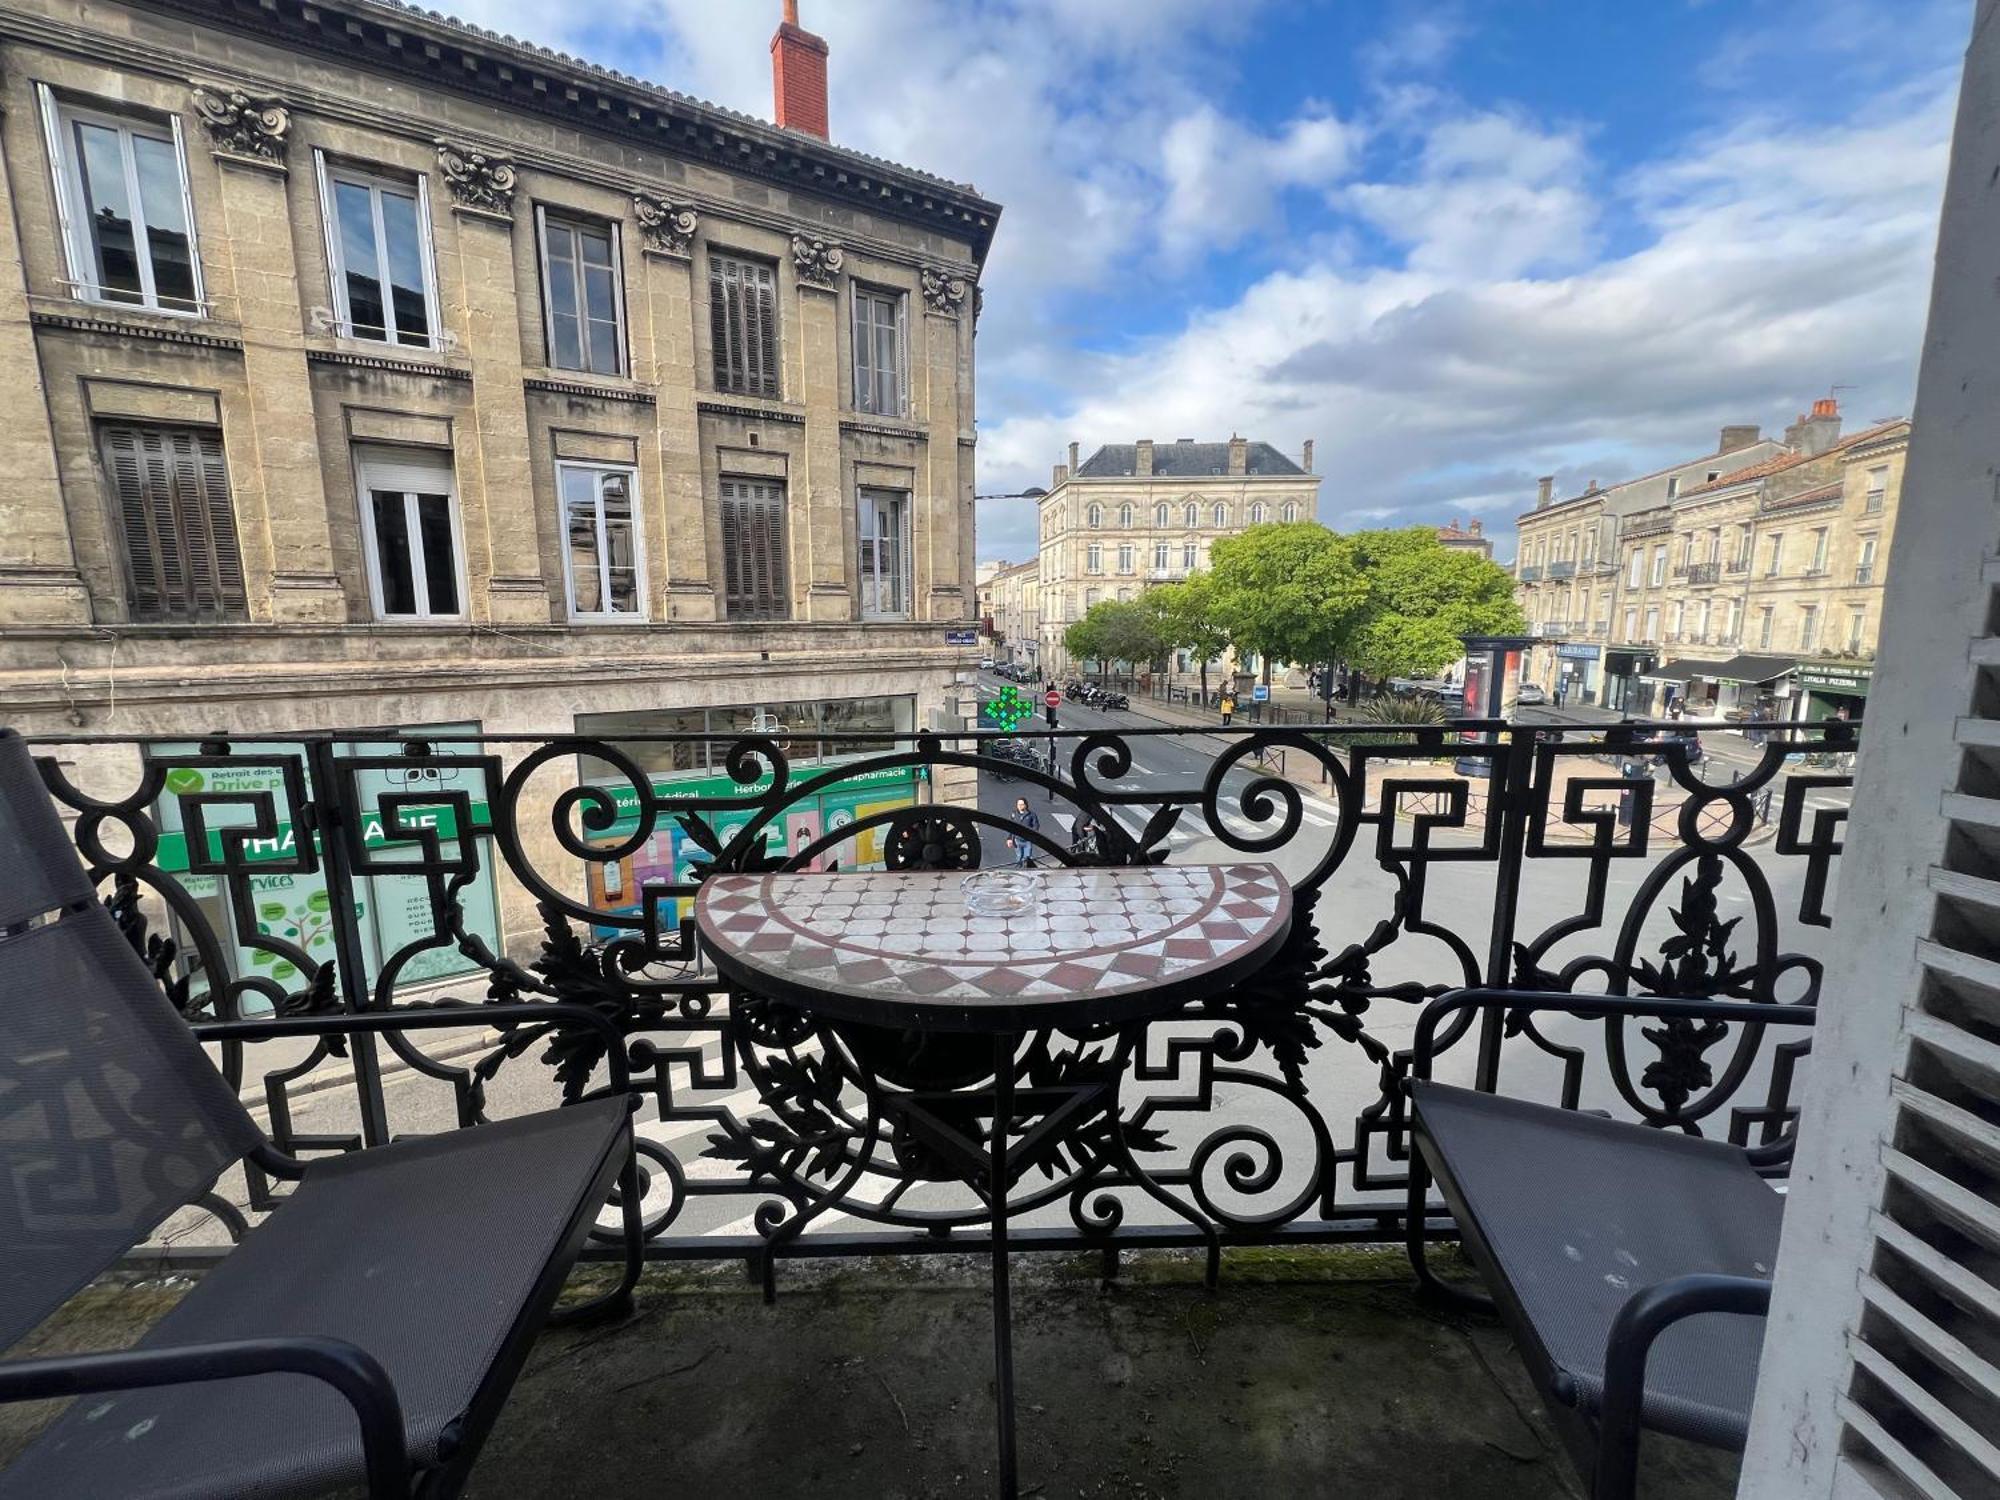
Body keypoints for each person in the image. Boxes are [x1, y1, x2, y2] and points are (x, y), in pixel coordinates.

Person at [1006, 796, 1040, 867]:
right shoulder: (1014, 814)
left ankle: (1027, 872)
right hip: (1017, 840)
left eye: (1021, 804)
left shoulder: (1031, 814)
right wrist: (1009, 839)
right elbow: (1010, 827)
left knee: (1027, 859)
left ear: (1025, 805)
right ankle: (1018, 873)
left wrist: (1031, 835)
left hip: (1027, 841)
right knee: (1019, 858)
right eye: (1018, 804)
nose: (1019, 806)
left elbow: (1036, 826)